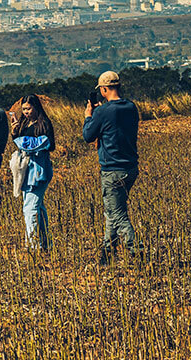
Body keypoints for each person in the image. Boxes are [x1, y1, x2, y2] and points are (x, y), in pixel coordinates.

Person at [82, 71, 140, 264]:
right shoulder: (131, 107)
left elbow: (88, 136)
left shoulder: (102, 112)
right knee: (111, 210)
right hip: (130, 167)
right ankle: (107, 253)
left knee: (117, 213)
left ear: (104, 89)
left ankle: (136, 251)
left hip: (112, 169)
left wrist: (89, 116)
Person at [10, 95, 56, 250]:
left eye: (28, 109)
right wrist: (15, 132)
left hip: (38, 171)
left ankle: (33, 246)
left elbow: (50, 145)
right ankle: (45, 243)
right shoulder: (24, 123)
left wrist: (30, 144)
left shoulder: (44, 124)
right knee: (37, 207)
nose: (26, 112)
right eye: (24, 109)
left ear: (36, 107)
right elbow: (19, 142)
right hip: (26, 171)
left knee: (30, 208)